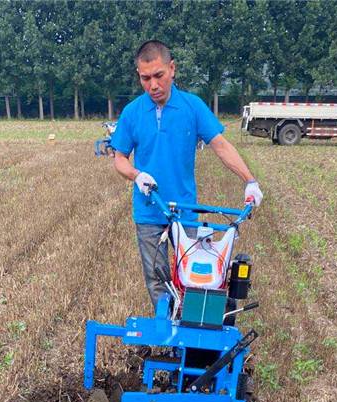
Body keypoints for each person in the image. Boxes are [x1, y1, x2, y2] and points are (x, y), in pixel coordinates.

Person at [111, 39, 263, 309]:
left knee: (194, 279)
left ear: (172, 69)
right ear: (139, 75)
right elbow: (120, 159)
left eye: (158, 75)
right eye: (145, 78)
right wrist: (136, 175)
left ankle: (192, 336)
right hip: (149, 210)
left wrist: (249, 181)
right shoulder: (132, 112)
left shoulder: (192, 107)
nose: (153, 85)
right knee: (157, 279)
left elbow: (221, 145)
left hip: (185, 210)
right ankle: (168, 333)